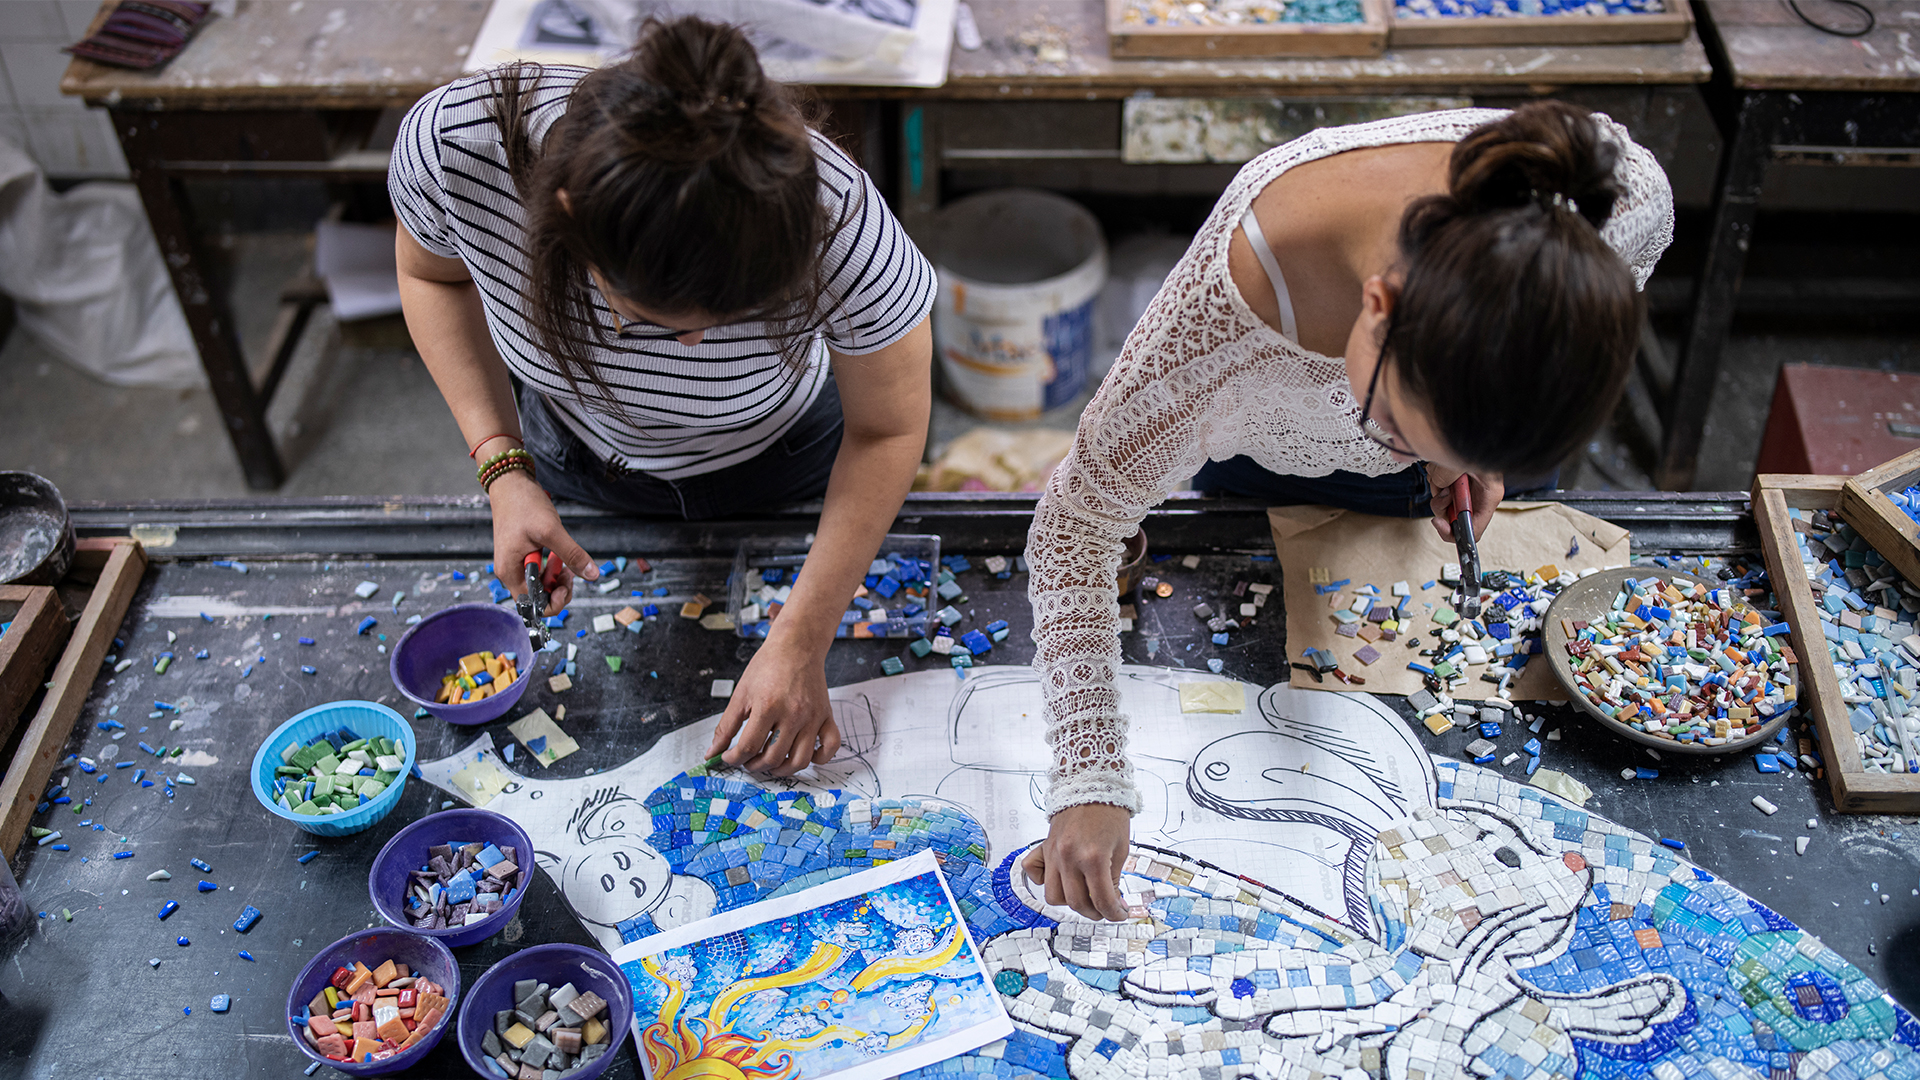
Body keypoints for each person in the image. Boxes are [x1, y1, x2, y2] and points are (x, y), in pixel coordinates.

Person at [1022, 102, 1673, 920]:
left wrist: (1467, 453)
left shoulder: (1623, 206)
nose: (1404, 451)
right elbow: (1077, 527)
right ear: (1378, 304)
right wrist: (1088, 773)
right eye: (1397, 426)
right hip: (1262, 460)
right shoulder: (1228, 314)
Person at [390, 16, 934, 777]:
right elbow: (430, 277)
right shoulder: (458, 149)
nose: (691, 349)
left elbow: (888, 428)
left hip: (786, 470)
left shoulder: (838, 220)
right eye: (658, 319)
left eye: (730, 320)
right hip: (576, 461)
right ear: (573, 217)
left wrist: (802, 637)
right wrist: (503, 468)